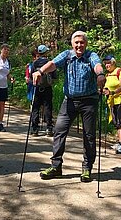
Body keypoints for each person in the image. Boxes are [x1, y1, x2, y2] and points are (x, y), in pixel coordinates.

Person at [33, 30, 105, 183]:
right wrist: (40, 71)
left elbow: (97, 65)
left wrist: (100, 75)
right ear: (72, 44)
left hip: (89, 101)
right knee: (59, 130)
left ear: (86, 43)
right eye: (76, 42)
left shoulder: (91, 55)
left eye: (82, 42)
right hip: (70, 101)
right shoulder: (67, 55)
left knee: (89, 135)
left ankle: (87, 168)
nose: (79, 45)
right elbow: (52, 64)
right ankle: (56, 166)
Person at [30, 44, 57, 137]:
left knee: (35, 108)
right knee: (48, 107)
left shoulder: (35, 63)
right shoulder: (50, 63)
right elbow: (54, 76)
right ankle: (49, 128)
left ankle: (35, 129)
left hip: (37, 88)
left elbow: (31, 77)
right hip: (47, 88)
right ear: (46, 52)